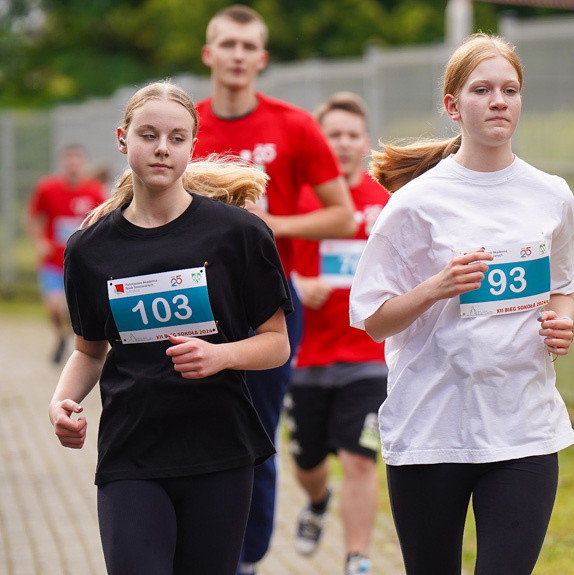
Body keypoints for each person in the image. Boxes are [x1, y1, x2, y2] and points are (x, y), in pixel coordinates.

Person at [349, 33, 574, 575]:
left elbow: (564, 281)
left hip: (522, 426)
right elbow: (371, 319)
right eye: (482, 90)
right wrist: (435, 288)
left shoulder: (550, 193)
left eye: (510, 89)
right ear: (453, 106)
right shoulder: (415, 203)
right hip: (433, 425)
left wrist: (562, 321)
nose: (499, 101)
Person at [47, 80, 292, 575]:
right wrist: (60, 402)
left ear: (192, 146)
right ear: (123, 139)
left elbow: (276, 344)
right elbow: (89, 351)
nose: (162, 148)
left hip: (220, 452)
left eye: (177, 138)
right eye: (149, 134)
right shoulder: (89, 249)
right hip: (131, 453)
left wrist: (221, 355)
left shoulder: (238, 234)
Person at [193, 6, 357, 574]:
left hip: (267, 304)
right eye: (227, 44)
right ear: (208, 54)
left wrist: (268, 225)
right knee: (189, 431)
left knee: (255, 436)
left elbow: (341, 216)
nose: (237, 55)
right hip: (192, 301)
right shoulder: (185, 126)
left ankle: (247, 558)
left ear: (261, 59)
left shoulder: (293, 126)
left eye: (248, 46)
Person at [288, 92, 390, 575]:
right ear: (318, 143)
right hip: (305, 354)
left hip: (368, 356)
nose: (344, 144)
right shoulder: (301, 200)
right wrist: (296, 283)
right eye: (334, 136)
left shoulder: (385, 203)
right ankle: (317, 500)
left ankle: (357, 558)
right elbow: (265, 261)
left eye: (353, 135)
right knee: (308, 465)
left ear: (365, 142)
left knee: (360, 459)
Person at [25, 144, 106, 364]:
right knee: (54, 307)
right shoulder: (47, 188)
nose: (72, 165)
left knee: (79, 308)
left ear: (83, 164)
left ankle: (82, 344)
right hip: (53, 260)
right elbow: (31, 218)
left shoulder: (94, 190)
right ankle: (61, 336)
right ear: (62, 163)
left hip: (82, 262)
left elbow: (104, 221)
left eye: (77, 160)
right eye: (68, 160)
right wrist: (40, 241)